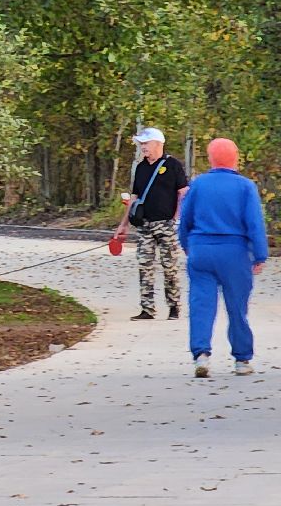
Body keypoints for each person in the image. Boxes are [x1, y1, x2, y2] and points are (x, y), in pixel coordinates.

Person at [177, 137, 268, 378]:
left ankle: (201, 355)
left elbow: (185, 220)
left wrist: (187, 245)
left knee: (201, 305)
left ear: (210, 158)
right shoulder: (245, 187)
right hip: (234, 252)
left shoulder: (198, 185)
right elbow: (254, 224)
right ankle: (241, 359)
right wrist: (260, 254)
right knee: (237, 307)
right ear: (235, 158)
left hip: (201, 250)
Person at [112, 127, 189, 320]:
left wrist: (177, 218)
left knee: (169, 266)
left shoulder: (173, 165)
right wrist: (124, 224)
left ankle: (174, 307)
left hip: (166, 224)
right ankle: (147, 308)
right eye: (141, 144)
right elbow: (134, 197)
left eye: (146, 143)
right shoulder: (141, 168)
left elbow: (183, 192)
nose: (143, 147)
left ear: (158, 143)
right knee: (144, 265)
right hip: (145, 224)